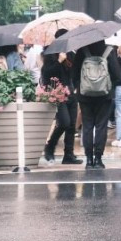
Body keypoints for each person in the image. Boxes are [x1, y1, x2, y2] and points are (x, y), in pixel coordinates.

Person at [72, 40, 121, 169]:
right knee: (101, 126)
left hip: (85, 95)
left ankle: (89, 160)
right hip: (104, 96)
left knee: (87, 126)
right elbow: (117, 75)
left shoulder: (82, 51)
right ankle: (98, 159)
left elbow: (74, 74)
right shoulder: (109, 51)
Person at [41, 32, 81, 165]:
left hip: (71, 92)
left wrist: (75, 86)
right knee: (64, 122)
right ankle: (50, 146)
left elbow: (75, 71)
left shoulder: (70, 53)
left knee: (71, 125)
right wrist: (59, 61)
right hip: (57, 93)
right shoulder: (49, 53)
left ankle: (68, 154)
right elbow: (46, 73)